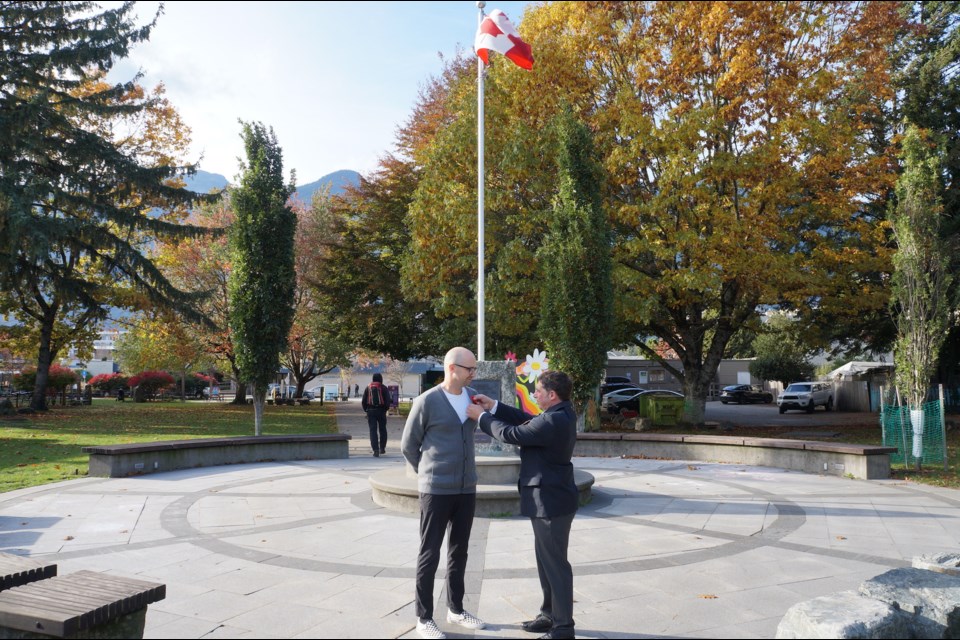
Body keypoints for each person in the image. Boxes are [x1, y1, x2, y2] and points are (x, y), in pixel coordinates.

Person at [466, 370, 578, 640]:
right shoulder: (558, 414)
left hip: (551, 502)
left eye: (538, 391)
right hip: (550, 499)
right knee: (546, 562)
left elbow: (511, 433)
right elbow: (528, 420)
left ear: (552, 395)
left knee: (556, 565)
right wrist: (494, 406)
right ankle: (549, 614)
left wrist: (481, 417)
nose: (534, 394)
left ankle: (563, 629)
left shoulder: (554, 420)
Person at [401, 347, 486, 639]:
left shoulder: (473, 396)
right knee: (429, 552)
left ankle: (456, 609)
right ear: (452, 368)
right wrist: (428, 471)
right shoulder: (427, 401)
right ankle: (424, 618)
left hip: (466, 488)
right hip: (436, 490)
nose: (473, 374)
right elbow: (408, 446)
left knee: (460, 551)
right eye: (469, 369)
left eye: (474, 369)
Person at [361, 373, 391, 457]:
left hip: (371, 411)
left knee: (372, 430)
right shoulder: (383, 387)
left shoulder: (368, 387)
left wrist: (366, 410)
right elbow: (388, 401)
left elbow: (363, 401)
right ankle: (382, 448)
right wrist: (385, 409)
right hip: (381, 411)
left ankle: (375, 449)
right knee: (383, 430)